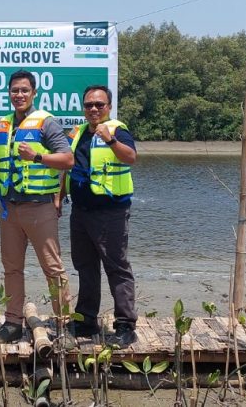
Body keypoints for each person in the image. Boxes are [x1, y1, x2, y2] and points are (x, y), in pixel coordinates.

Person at [0, 70, 75, 346]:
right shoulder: (3, 126)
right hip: (8, 210)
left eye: (24, 90)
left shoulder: (47, 123)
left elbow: (68, 160)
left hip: (39, 208)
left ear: (34, 93)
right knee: (12, 268)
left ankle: (64, 325)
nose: (19, 95)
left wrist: (36, 155)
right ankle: (12, 323)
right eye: (14, 91)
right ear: (8, 93)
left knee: (53, 268)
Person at [63, 85, 138, 347]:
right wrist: (58, 198)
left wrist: (110, 140)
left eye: (99, 105)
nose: (93, 109)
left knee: (117, 268)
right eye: (88, 105)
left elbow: (131, 158)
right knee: (85, 267)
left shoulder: (117, 130)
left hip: (111, 212)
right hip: (81, 212)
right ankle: (86, 320)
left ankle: (126, 326)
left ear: (108, 107)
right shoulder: (79, 132)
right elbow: (68, 166)